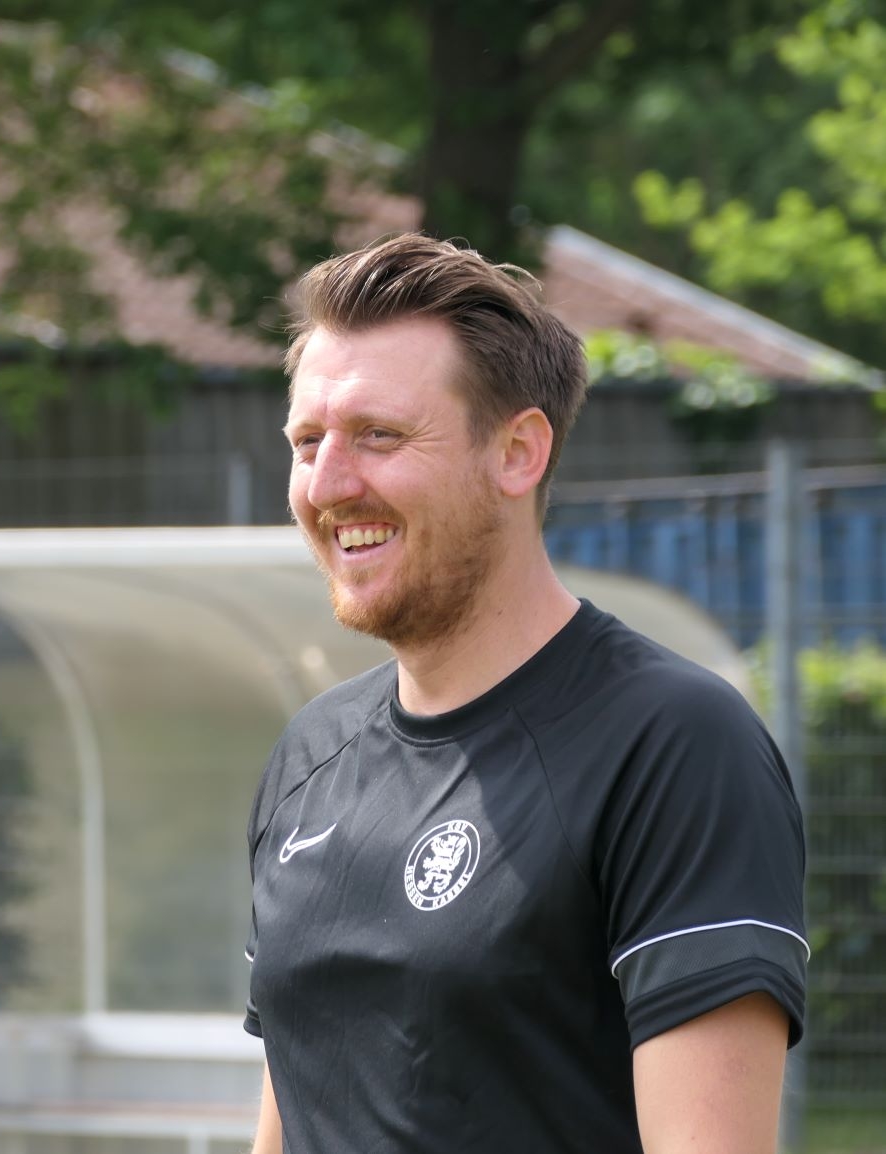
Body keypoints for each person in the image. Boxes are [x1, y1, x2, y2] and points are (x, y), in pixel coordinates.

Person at [244, 233, 806, 1154]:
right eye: (308, 442)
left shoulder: (672, 744)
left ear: (517, 452)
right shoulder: (312, 755)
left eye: (380, 435)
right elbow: (293, 1110)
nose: (329, 483)